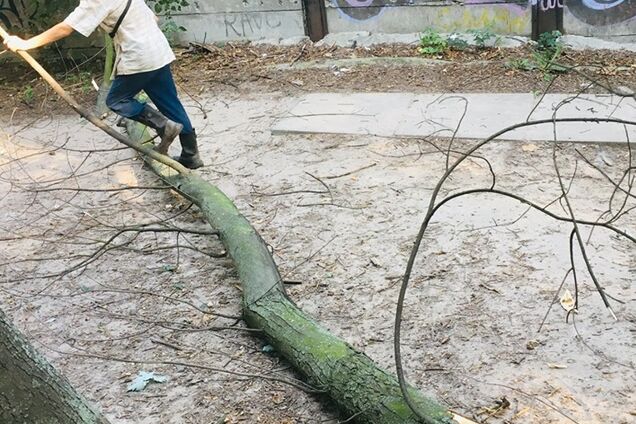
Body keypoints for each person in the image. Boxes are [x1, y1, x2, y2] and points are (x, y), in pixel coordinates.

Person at [3, 0, 204, 169]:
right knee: (170, 102)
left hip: (139, 56)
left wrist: (25, 44)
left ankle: (163, 125)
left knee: (117, 100)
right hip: (157, 50)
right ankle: (190, 154)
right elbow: (154, 17)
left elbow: (66, 28)